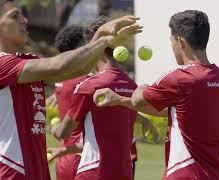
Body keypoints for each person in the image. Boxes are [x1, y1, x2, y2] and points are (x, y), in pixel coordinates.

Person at [0, 0, 142, 179]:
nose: (25, 20)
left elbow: (77, 70)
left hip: (36, 170)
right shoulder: (2, 64)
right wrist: (102, 40)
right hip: (11, 170)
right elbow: (57, 66)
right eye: (15, 16)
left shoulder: (24, 60)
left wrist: (99, 38)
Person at [93, 10, 219, 179]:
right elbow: (178, 112)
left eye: (171, 41)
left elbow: (138, 101)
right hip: (218, 174)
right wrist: (119, 100)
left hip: (185, 173)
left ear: (180, 42)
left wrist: (141, 86)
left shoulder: (180, 78)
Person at [51, 16, 139, 180]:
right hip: (124, 172)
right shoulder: (132, 86)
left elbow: (64, 133)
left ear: (94, 47)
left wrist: (54, 129)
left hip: (93, 171)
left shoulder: (88, 86)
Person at [51, 25, 88, 180]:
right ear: (78, 48)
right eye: (86, 44)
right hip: (82, 156)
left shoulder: (60, 77)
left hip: (64, 155)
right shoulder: (85, 80)